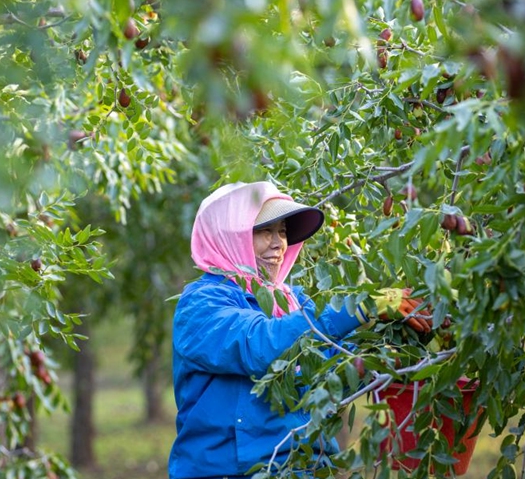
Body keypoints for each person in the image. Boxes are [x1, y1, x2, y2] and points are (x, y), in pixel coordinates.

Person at [168, 181, 431, 479]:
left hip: (305, 468)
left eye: (282, 231)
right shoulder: (201, 306)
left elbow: (334, 376)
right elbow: (261, 347)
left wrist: (396, 345)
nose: (279, 242)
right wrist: (362, 305)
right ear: (229, 236)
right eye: (264, 230)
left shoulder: (293, 302)